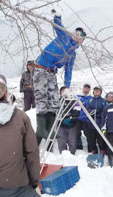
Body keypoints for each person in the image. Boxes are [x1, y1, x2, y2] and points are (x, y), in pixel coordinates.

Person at [33, 9, 86, 143]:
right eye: (76, 32)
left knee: (54, 100)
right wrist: (57, 15)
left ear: (82, 40)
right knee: (42, 97)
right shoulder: (64, 37)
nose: (76, 35)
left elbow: (69, 71)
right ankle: (41, 128)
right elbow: (58, 25)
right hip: (41, 67)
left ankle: (50, 127)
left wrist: (67, 87)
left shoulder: (72, 54)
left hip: (52, 72)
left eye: (80, 35)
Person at [0, 74, 42, 197]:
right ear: (6, 94)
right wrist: (34, 181)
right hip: (17, 186)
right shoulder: (20, 117)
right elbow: (32, 153)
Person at [57, 86, 80, 155]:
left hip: (72, 124)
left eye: (65, 90)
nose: (64, 92)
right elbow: (55, 111)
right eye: (62, 90)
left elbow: (77, 111)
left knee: (72, 142)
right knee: (61, 142)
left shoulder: (74, 101)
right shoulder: (58, 101)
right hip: (60, 125)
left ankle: (72, 155)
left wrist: (71, 118)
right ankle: (63, 155)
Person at [86, 86, 107, 154]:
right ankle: (93, 153)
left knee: (101, 140)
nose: (96, 92)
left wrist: (98, 113)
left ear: (100, 92)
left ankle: (102, 153)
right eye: (95, 90)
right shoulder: (90, 100)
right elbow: (87, 110)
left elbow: (105, 111)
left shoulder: (104, 101)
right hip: (91, 124)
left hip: (100, 123)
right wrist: (94, 111)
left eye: (98, 90)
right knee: (91, 140)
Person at [77, 84, 93, 151]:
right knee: (77, 134)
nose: (86, 89)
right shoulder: (78, 97)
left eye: (88, 88)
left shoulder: (91, 98)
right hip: (78, 118)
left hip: (86, 119)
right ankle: (79, 148)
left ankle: (90, 149)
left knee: (88, 134)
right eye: (85, 87)